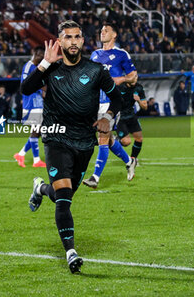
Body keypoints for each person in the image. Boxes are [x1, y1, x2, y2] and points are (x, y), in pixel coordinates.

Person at [21, 20, 122, 273]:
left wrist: (107, 118)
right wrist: (43, 63)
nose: (73, 41)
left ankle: (41, 188)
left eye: (78, 37)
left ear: (83, 42)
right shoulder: (50, 68)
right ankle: (71, 252)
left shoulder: (96, 70)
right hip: (56, 139)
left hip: (84, 142)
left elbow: (118, 99)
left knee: (62, 196)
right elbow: (26, 88)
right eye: (68, 37)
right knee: (64, 198)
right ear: (60, 41)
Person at [83, 23, 138, 189]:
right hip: (95, 103)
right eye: (101, 30)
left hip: (111, 103)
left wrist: (120, 80)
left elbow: (133, 77)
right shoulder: (94, 54)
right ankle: (130, 162)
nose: (102, 32)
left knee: (103, 138)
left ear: (114, 35)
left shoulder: (121, 54)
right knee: (108, 139)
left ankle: (95, 177)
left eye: (106, 31)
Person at [14, 47, 46, 168]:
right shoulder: (28, 66)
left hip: (37, 102)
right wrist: (44, 89)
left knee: (37, 132)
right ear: (35, 54)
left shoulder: (36, 67)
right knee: (36, 130)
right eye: (40, 57)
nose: (41, 59)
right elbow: (26, 85)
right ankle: (36, 160)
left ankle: (21, 154)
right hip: (31, 102)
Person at [116, 80, 147, 164]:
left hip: (131, 116)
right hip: (120, 117)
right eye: (133, 76)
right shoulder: (120, 87)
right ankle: (115, 140)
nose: (135, 78)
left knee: (139, 139)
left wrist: (139, 100)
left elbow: (145, 107)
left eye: (136, 77)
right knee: (126, 142)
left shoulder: (139, 88)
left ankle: (133, 159)